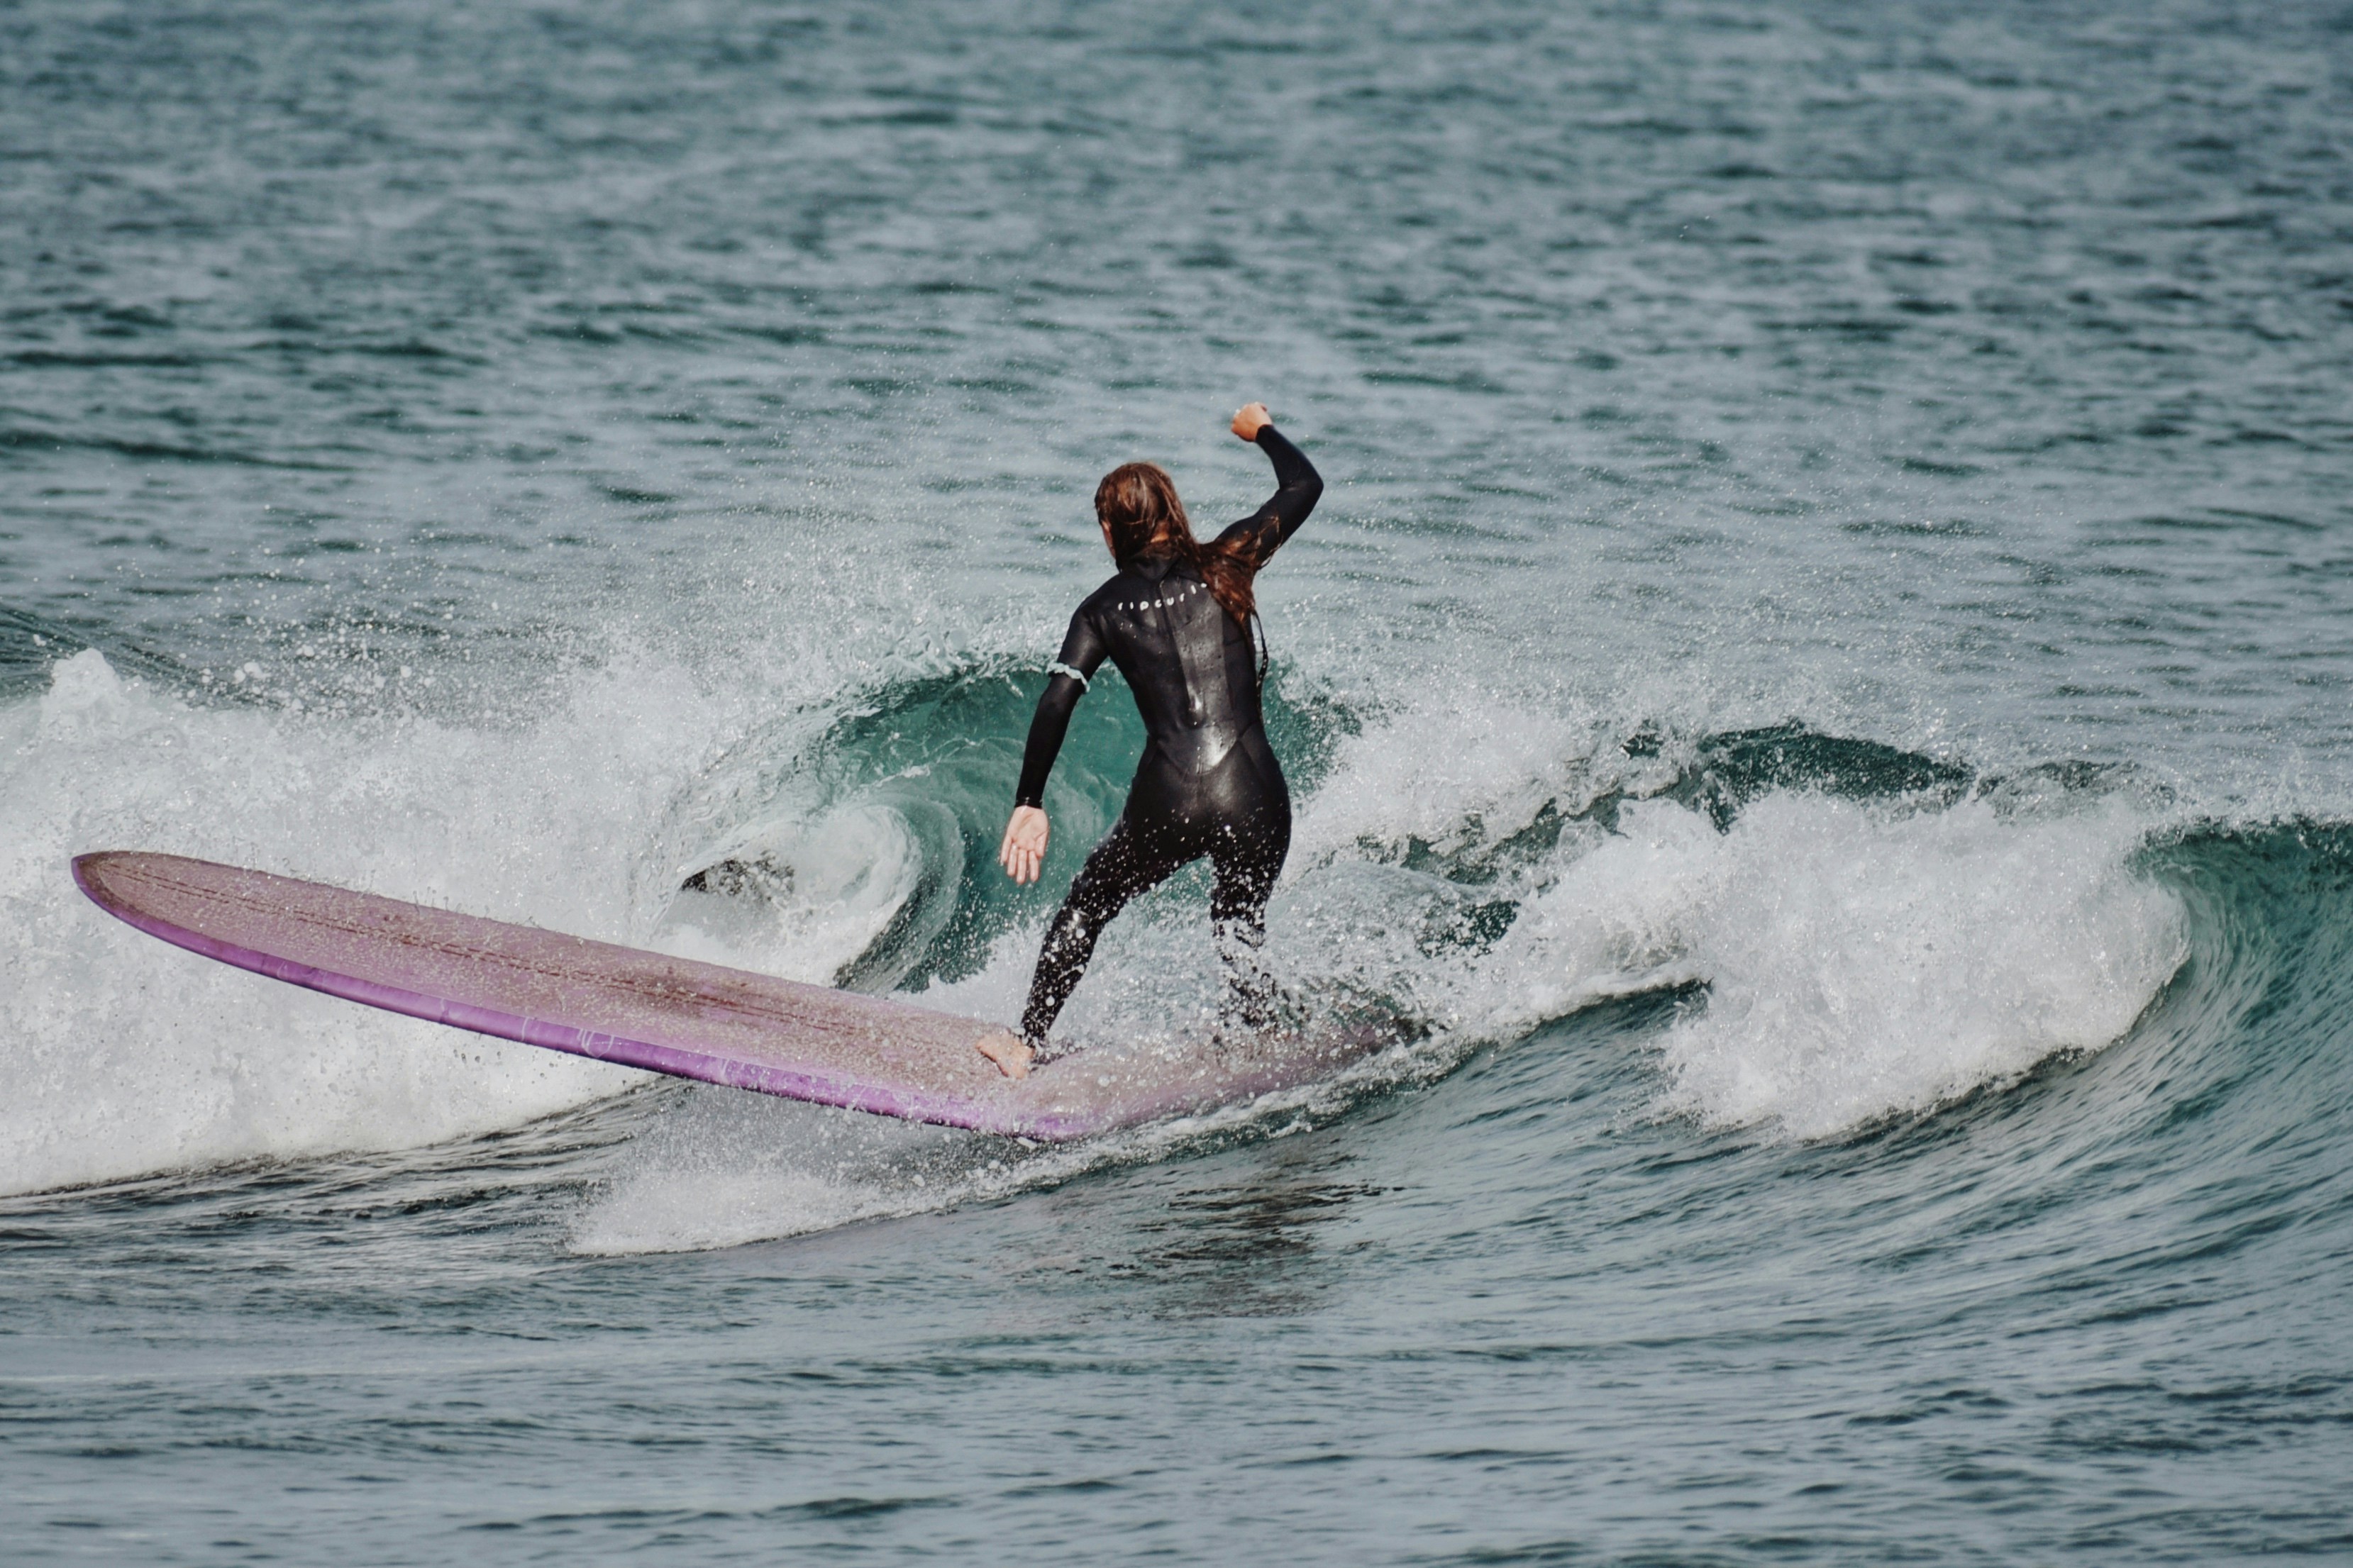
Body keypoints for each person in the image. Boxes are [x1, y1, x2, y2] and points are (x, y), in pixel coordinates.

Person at [976, 402, 1323, 1079]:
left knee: (1089, 903)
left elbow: (1058, 697)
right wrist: (1262, 431)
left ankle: (1025, 1043)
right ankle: (1259, 1041)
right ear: (1169, 509)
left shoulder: (1101, 608)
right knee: (1237, 922)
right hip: (1252, 788)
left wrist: (1030, 798)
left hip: (1170, 796)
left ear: (1112, 530)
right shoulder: (1230, 560)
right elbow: (1303, 487)